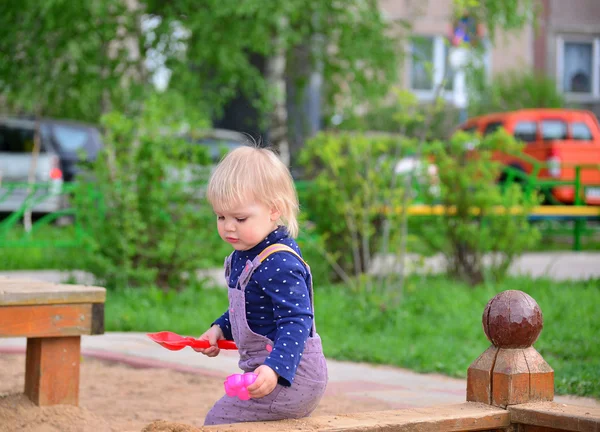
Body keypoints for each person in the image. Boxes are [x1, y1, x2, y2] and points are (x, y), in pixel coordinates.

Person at [197, 145, 328, 426]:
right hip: (272, 373)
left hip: (291, 377)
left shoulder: (278, 262)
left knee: (221, 421)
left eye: (240, 218)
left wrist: (275, 369)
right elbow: (250, 309)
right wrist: (219, 328)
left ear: (273, 210)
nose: (228, 227)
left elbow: (296, 321)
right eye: (221, 217)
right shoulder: (245, 255)